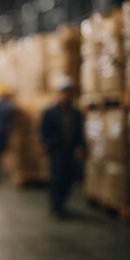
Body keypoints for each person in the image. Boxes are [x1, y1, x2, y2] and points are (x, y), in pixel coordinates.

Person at [39, 78, 86, 218]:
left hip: (70, 150)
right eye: (63, 92)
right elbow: (43, 130)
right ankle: (56, 205)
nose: (66, 95)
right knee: (57, 178)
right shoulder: (50, 112)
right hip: (56, 150)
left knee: (69, 178)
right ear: (58, 94)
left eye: (68, 92)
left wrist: (81, 147)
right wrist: (45, 143)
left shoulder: (76, 113)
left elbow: (79, 132)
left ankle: (62, 203)